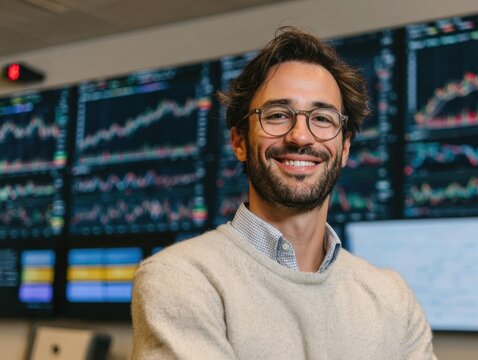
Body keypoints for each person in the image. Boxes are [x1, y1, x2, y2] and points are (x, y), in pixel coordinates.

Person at [131, 27, 438, 359]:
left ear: (345, 147)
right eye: (277, 115)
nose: (301, 136)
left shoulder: (392, 298)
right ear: (239, 142)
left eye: (322, 118)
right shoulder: (181, 278)